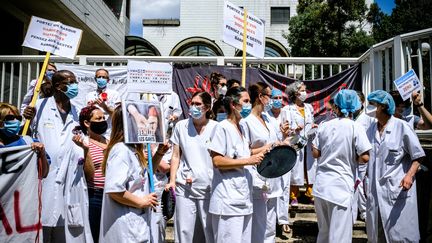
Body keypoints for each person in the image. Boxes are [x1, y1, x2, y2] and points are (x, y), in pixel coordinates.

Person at [24, 70, 93, 242]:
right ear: (57, 86)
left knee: (68, 232)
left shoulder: (76, 111)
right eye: (70, 82)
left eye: (75, 81)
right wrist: (26, 119)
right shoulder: (38, 107)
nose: (74, 86)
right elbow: (23, 136)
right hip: (44, 178)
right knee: (41, 230)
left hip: (71, 182)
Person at [99, 105, 168, 243]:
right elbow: (114, 189)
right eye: (139, 120)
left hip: (137, 222)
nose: (145, 124)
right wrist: (142, 201)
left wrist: (159, 152)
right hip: (126, 225)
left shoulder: (133, 150)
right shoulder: (121, 151)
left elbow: (145, 176)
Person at [365, 90, 426, 243]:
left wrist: (409, 175)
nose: (370, 108)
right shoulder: (370, 130)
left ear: (383, 107)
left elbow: (418, 155)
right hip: (375, 192)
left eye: (374, 105)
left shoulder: (402, 127)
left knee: (400, 236)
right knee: (377, 235)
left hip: (397, 190)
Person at [312, 89, 371, 242]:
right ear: (356, 107)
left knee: (324, 233)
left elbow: (315, 153)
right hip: (341, 188)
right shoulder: (355, 127)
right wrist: (350, 157)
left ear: (336, 107)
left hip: (321, 186)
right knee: (339, 236)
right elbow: (365, 157)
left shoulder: (324, 126)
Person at [208, 86, 264, 243]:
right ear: (233, 105)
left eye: (249, 101)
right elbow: (217, 160)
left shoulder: (243, 127)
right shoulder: (222, 128)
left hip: (244, 198)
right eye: (245, 101)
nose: (248, 105)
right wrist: (248, 161)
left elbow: (244, 154)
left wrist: (264, 150)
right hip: (227, 202)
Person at [165, 91, 218, 243]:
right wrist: (173, 180)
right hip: (184, 187)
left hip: (209, 187)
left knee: (209, 232)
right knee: (183, 231)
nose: (193, 107)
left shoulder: (216, 128)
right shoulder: (181, 126)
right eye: (192, 103)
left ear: (207, 107)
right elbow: (175, 155)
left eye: (198, 104)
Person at [240, 82, 285, 242]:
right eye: (270, 96)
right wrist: (266, 148)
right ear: (260, 97)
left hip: (274, 176)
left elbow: (276, 142)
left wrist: (283, 140)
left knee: (270, 226)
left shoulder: (268, 119)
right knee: (258, 225)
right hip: (257, 177)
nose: (273, 100)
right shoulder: (246, 122)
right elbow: (245, 152)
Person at [72, 105, 109, 243]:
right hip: (95, 196)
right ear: (87, 123)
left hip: (111, 194)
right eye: (98, 118)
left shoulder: (110, 140)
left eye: (104, 118)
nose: (103, 121)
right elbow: (89, 175)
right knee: (95, 234)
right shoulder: (83, 142)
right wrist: (86, 151)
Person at [282, 81, 317, 205]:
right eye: (302, 90)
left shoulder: (309, 107)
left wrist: (313, 126)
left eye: (304, 90)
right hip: (295, 141)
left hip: (309, 140)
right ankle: (293, 196)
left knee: (310, 167)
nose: (304, 93)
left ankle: (310, 194)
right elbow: (284, 128)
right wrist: (294, 130)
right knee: (296, 168)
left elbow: (311, 121)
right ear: (295, 93)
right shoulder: (288, 109)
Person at [0, 103, 49, 177]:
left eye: (18, 118)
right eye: (10, 117)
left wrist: (42, 154)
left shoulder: (29, 142)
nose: (16, 121)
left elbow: (43, 174)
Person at [267, 88, 292, 234]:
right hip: (270, 154)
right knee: (270, 187)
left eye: (279, 98)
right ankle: (270, 220)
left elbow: (293, 133)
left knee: (284, 186)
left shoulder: (286, 113)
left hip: (284, 153)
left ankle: (283, 220)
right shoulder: (265, 115)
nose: (277, 101)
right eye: (274, 98)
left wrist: (287, 133)